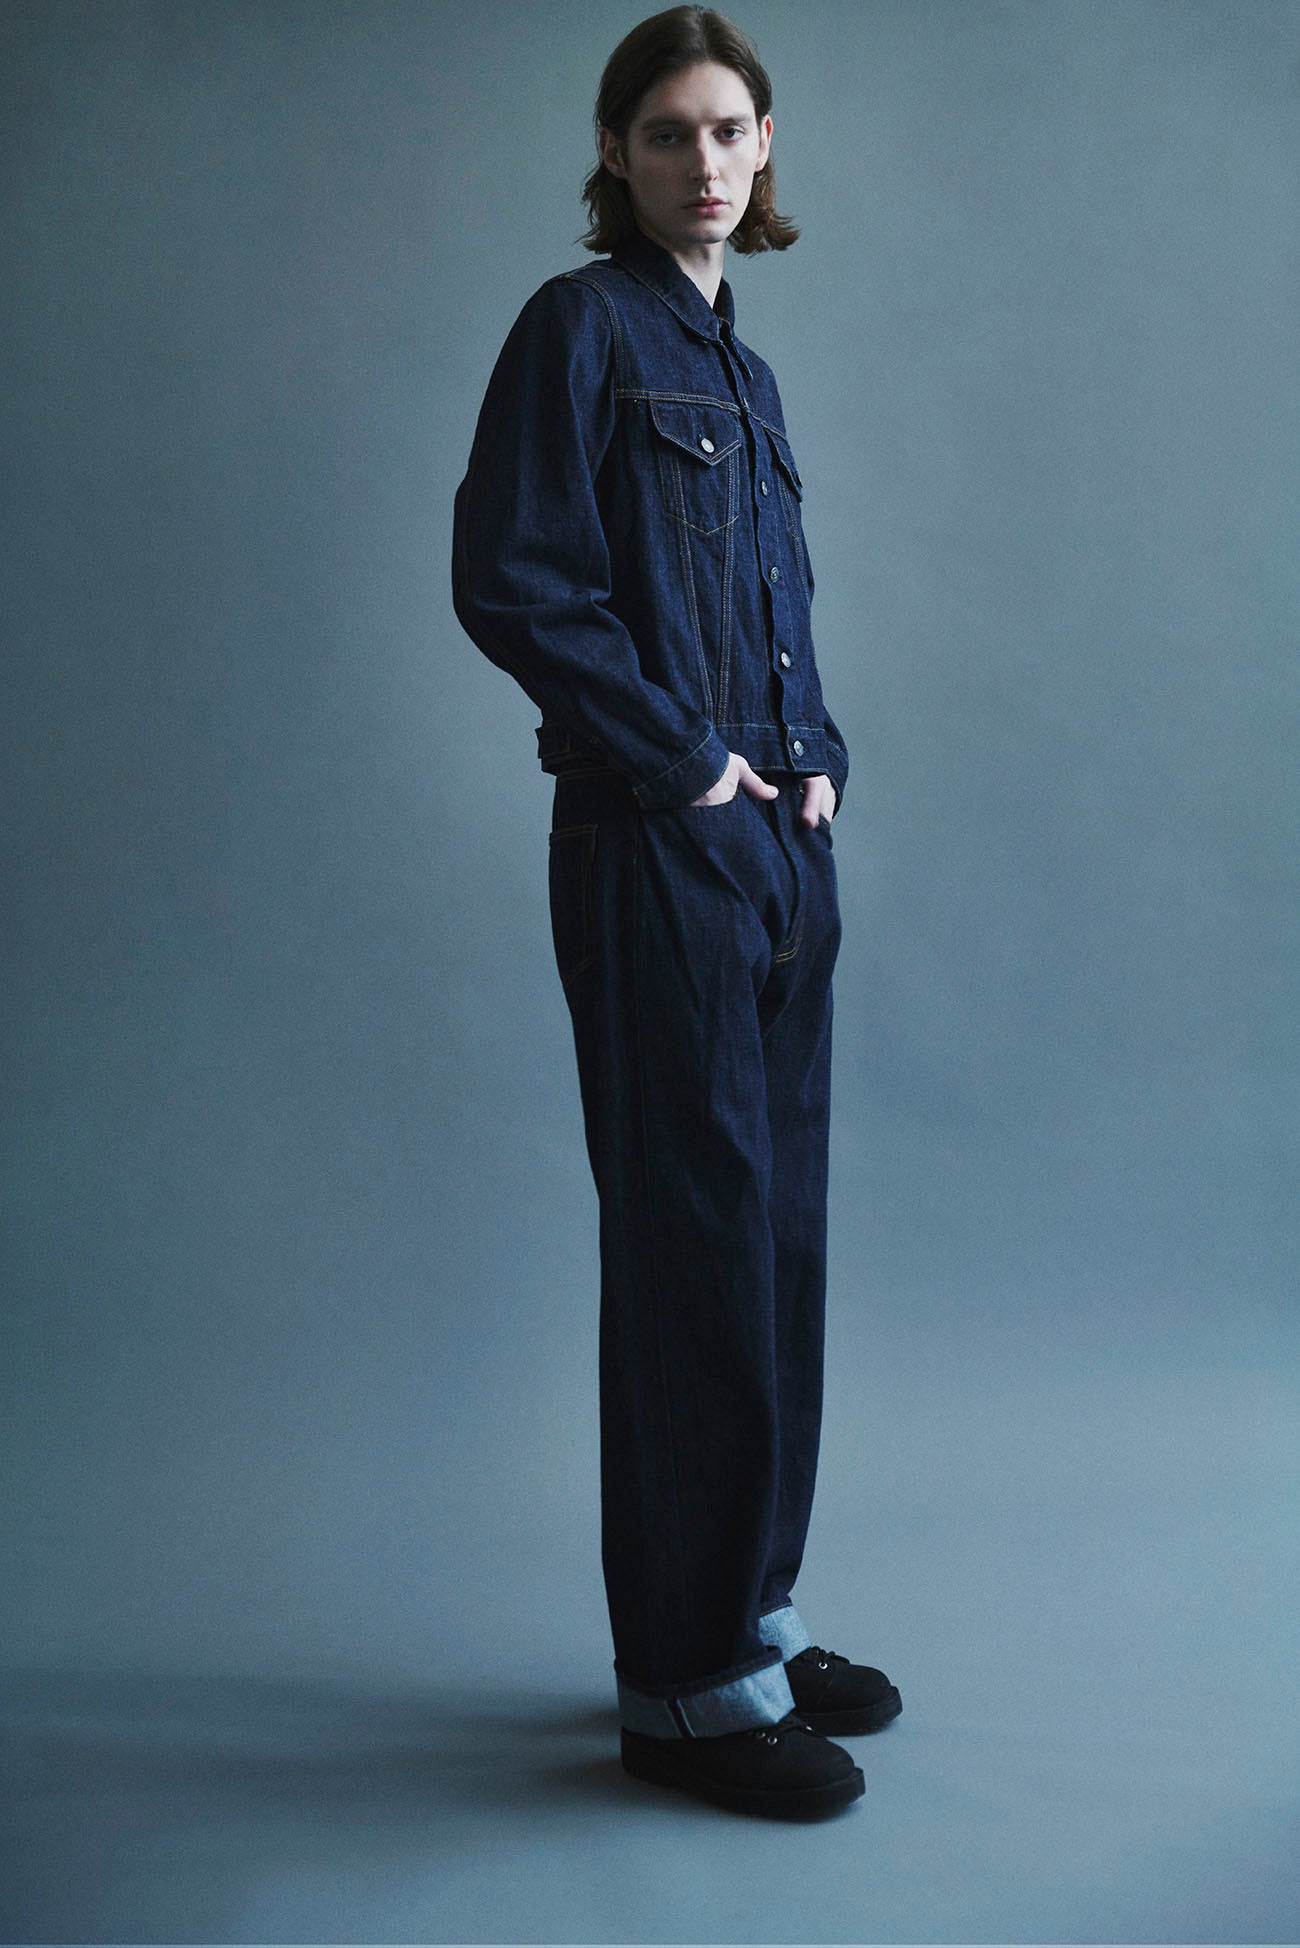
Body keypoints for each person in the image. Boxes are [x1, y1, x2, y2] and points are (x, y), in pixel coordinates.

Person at [452, 5, 900, 1820]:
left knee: (776, 1248)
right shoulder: (580, 331)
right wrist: (695, 769)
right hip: (658, 847)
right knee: (695, 1256)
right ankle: (687, 1689)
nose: (701, 161)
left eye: (727, 129)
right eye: (664, 132)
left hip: (779, 855)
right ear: (615, 154)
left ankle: (754, 1623)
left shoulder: (746, 375)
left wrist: (814, 761)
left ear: (765, 144)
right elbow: (515, 580)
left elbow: (772, 611)